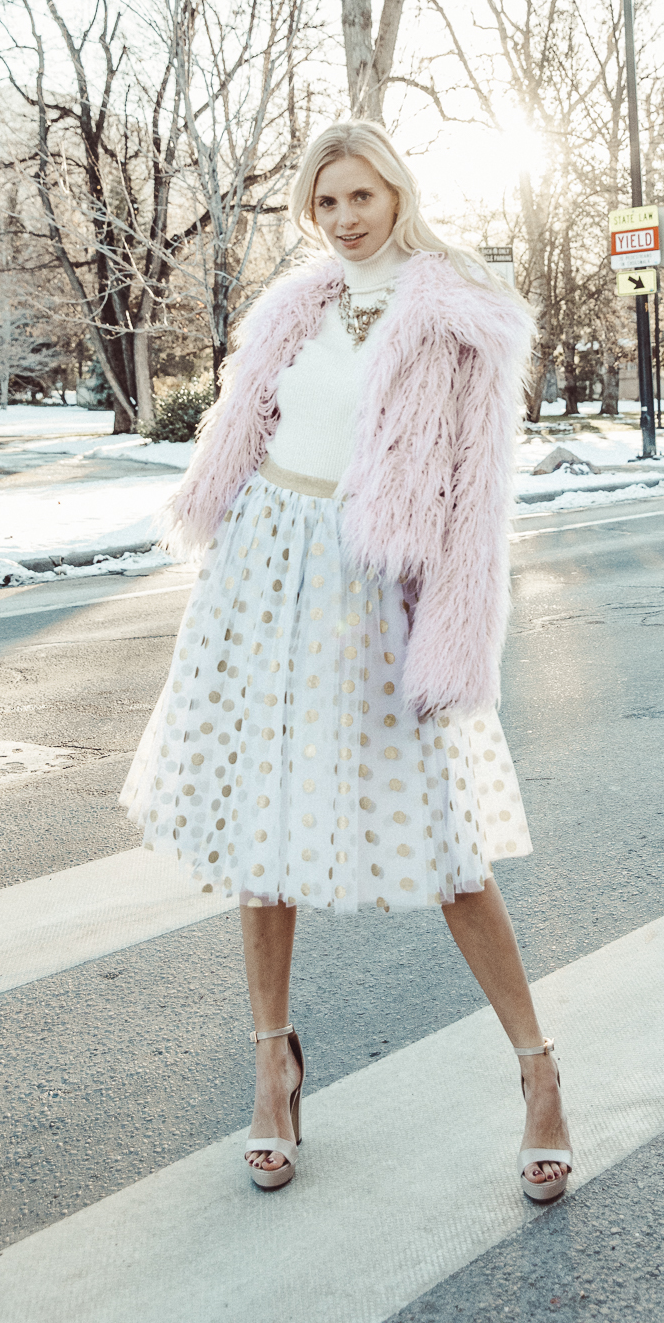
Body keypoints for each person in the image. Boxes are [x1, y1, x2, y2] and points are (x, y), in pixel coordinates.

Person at [119, 120, 572, 1203]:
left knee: (450, 843)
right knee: (256, 830)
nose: (344, 218)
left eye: (361, 196)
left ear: (397, 192)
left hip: (376, 588)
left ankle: (539, 1073)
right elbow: (249, 430)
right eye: (326, 203)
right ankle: (271, 1062)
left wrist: (450, 637)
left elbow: (472, 502)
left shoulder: (457, 314)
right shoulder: (300, 305)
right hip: (264, 565)